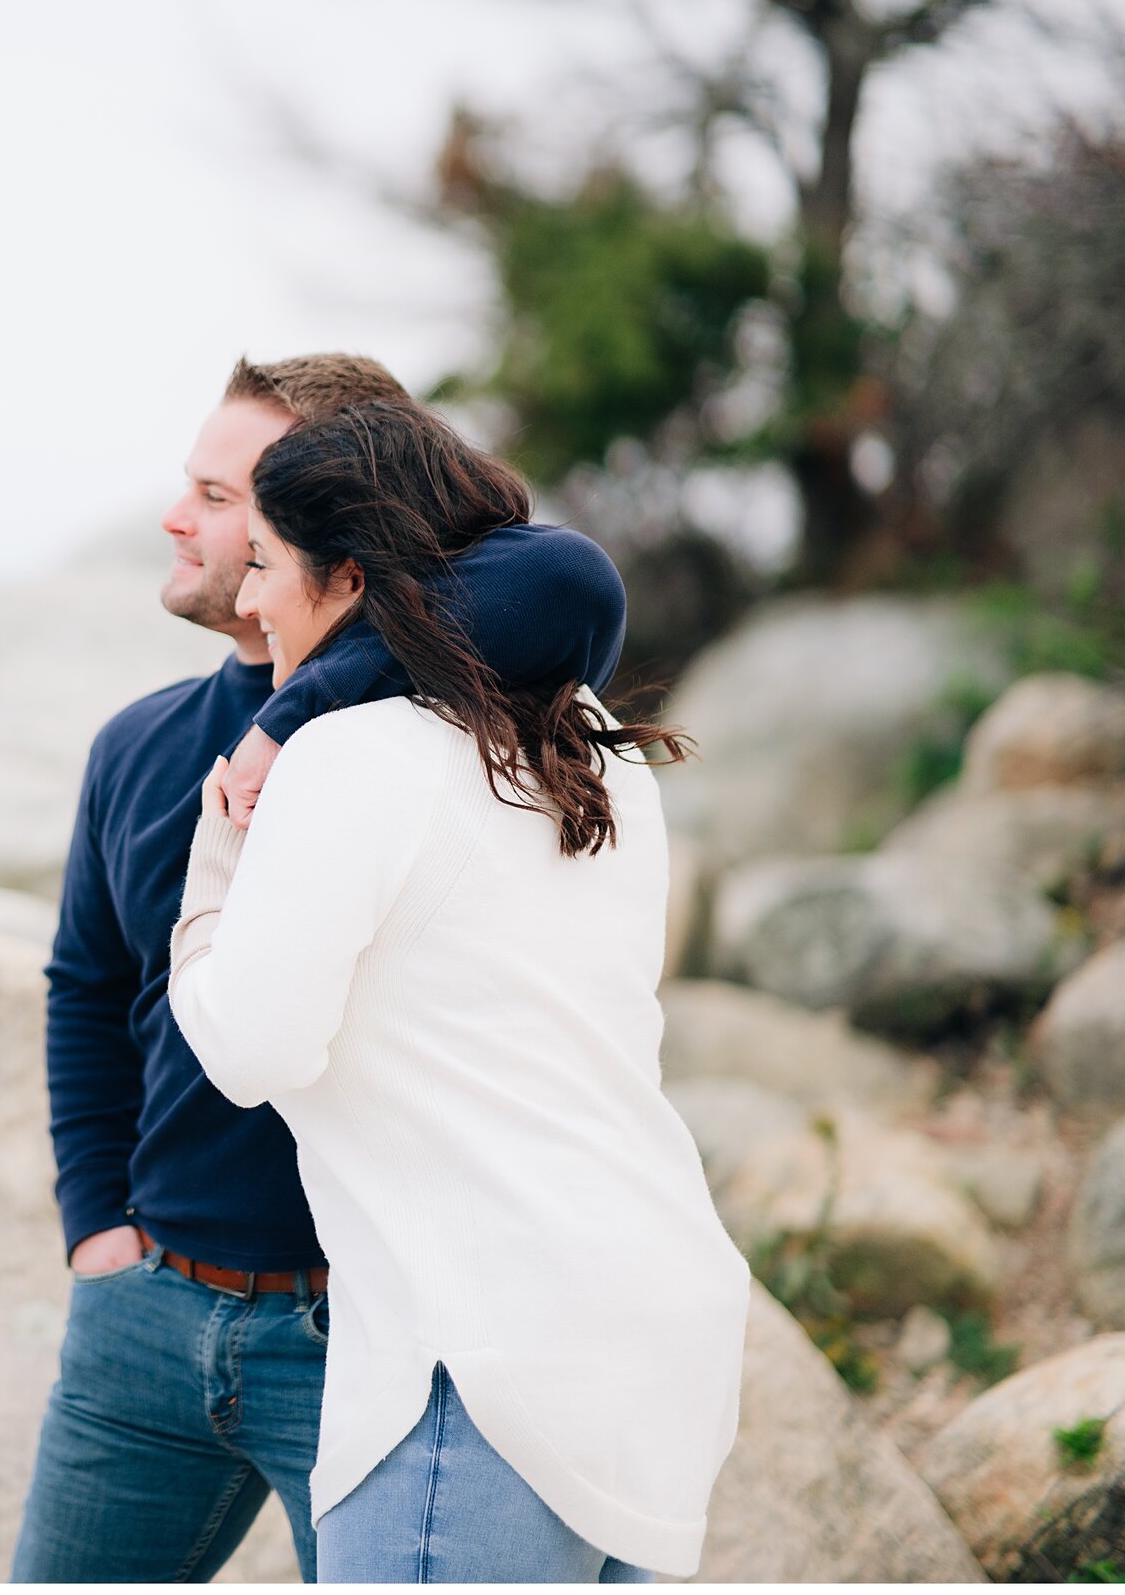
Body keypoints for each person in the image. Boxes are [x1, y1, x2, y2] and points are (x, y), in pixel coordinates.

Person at [9, 354, 631, 1582]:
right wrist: (97, 1228)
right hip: (147, 1310)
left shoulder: (449, 729)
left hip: (368, 1336)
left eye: (217, 491)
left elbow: (559, 573)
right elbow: (84, 987)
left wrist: (291, 710)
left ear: (324, 527)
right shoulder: (135, 745)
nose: (176, 517)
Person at [164, 398, 749, 1583]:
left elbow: (250, 1049)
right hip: (653, 1337)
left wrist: (215, 857)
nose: (251, 601)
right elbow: (553, 584)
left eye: (267, 564)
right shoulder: (590, 746)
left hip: (479, 1366)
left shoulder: (352, 759)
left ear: (346, 578)